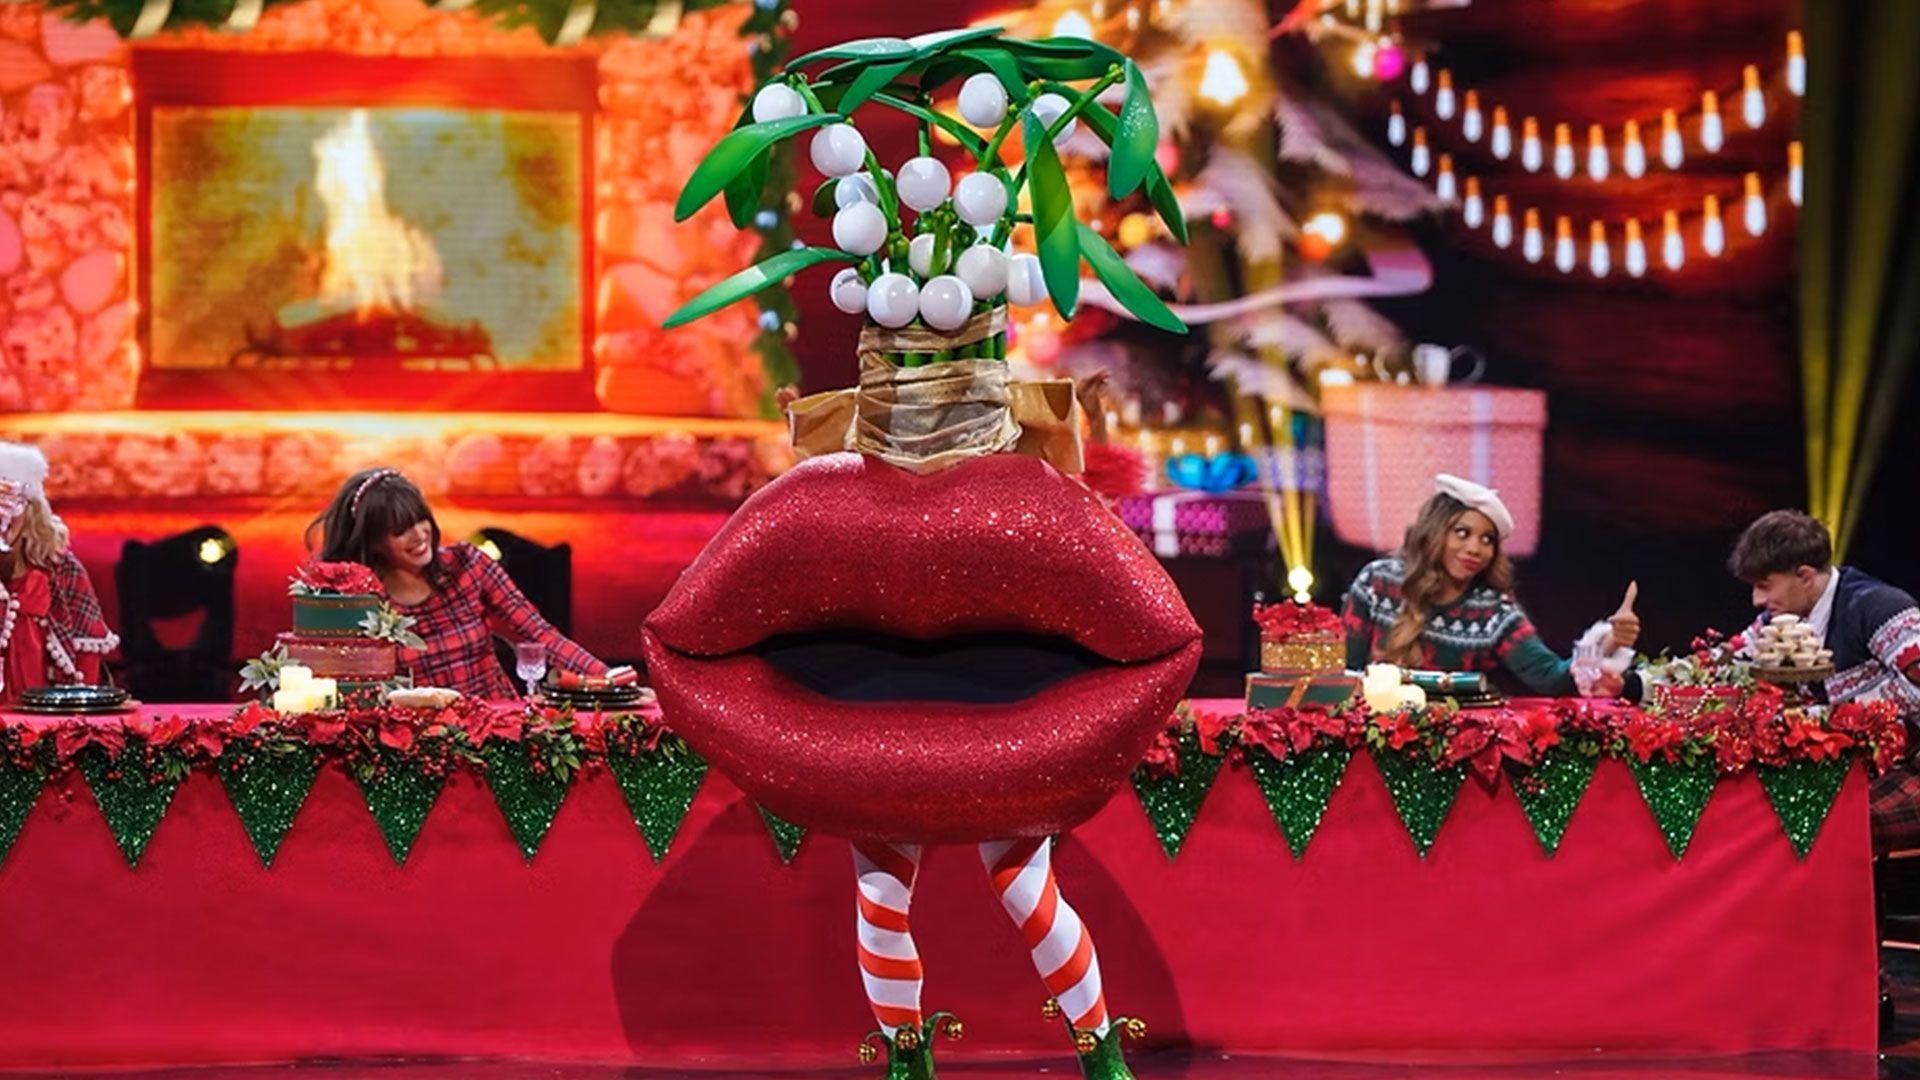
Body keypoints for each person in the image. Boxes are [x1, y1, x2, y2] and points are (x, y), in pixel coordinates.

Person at [307, 466, 608, 699]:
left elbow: (539, 632)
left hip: (496, 727)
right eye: (401, 530)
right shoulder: (361, 599)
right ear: (373, 542)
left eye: (420, 519)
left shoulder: (468, 565)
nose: (419, 534)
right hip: (420, 746)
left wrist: (611, 679)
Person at [1342, 473, 1641, 697]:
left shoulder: (1492, 610)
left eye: (1487, 540)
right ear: (1435, 532)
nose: (1476, 548)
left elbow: (1550, 676)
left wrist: (1609, 642)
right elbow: (1345, 674)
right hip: (1372, 742)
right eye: (1462, 532)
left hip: (1448, 755)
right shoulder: (1377, 582)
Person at [1728, 510, 1920, 849]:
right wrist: (1629, 683)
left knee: (1824, 832)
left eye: (1764, 585)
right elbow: (1721, 663)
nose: (1757, 600)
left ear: (1804, 575)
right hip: (1859, 766)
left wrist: (1831, 717)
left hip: (1910, 764)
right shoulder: (1779, 622)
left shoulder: (1878, 606)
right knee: (1758, 815)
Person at [0, 442, 118, 703]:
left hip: (48, 719)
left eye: (11, 503)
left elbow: (86, 653)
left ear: (30, 508)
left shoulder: (59, 567)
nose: (3, 515)